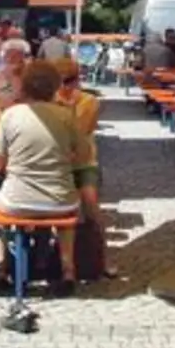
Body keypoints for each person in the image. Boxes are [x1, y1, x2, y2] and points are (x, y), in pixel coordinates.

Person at [0, 61, 84, 294]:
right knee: (68, 214)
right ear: (55, 87)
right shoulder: (66, 115)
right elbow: (82, 155)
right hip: (61, 200)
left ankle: (1, 265)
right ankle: (68, 269)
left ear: (24, 86)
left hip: (17, 201)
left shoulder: (11, 115)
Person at [52, 57, 114, 277]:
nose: (63, 87)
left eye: (68, 81)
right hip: (57, 163)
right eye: (59, 81)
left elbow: (81, 131)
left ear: (76, 80)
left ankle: (104, 259)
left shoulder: (89, 101)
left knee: (91, 203)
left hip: (83, 161)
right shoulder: (49, 101)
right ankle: (50, 260)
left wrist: (66, 110)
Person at [0, 39, 29, 109]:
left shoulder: (28, 72)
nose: (10, 57)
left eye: (15, 54)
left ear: (22, 56)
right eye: (8, 53)